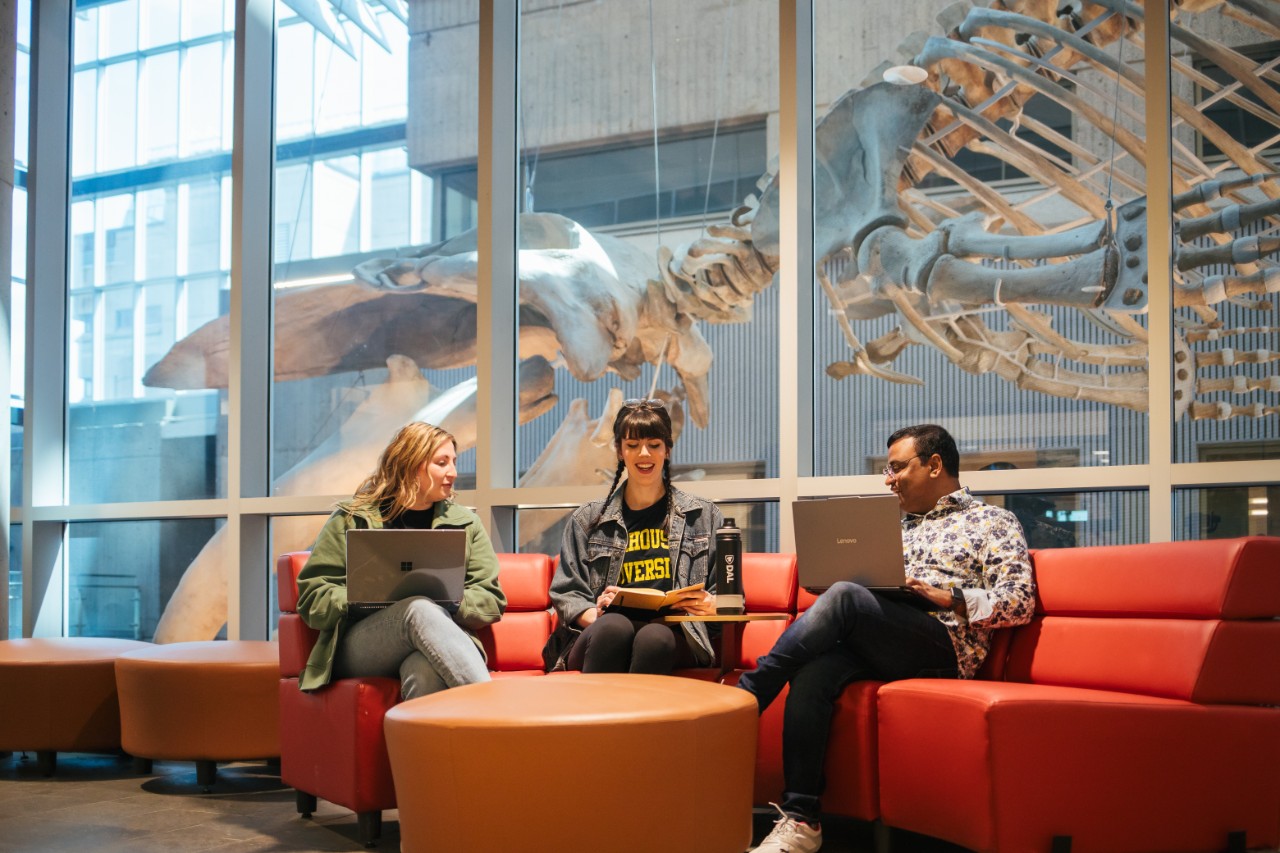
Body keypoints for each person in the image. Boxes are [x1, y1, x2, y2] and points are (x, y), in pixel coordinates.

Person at [740, 424, 1035, 853]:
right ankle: (802, 819)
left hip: (945, 645)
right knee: (813, 672)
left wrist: (949, 597)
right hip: (882, 638)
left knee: (844, 596)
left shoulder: (992, 522)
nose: (888, 478)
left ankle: (749, 696)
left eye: (896, 468)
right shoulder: (893, 527)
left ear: (934, 465)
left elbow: (1019, 600)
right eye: (887, 469)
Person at [294, 421, 506, 700]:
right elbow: (312, 597)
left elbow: (491, 600)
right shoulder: (351, 518)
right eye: (441, 463)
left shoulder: (467, 524)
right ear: (410, 463)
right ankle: (498, 720)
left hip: (442, 639)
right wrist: (362, 597)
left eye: (454, 462)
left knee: (423, 668)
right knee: (417, 609)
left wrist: (447, 600)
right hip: (363, 644)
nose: (453, 472)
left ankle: (418, 744)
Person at [545, 398, 723, 674]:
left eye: (654, 445)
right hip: (602, 632)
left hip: (673, 633)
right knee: (614, 628)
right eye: (632, 445)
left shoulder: (704, 517)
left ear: (667, 450)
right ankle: (602, 717)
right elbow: (568, 593)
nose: (644, 454)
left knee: (655, 637)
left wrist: (711, 604)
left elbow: (729, 598)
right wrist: (596, 612)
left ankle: (636, 718)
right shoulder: (588, 520)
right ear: (619, 451)